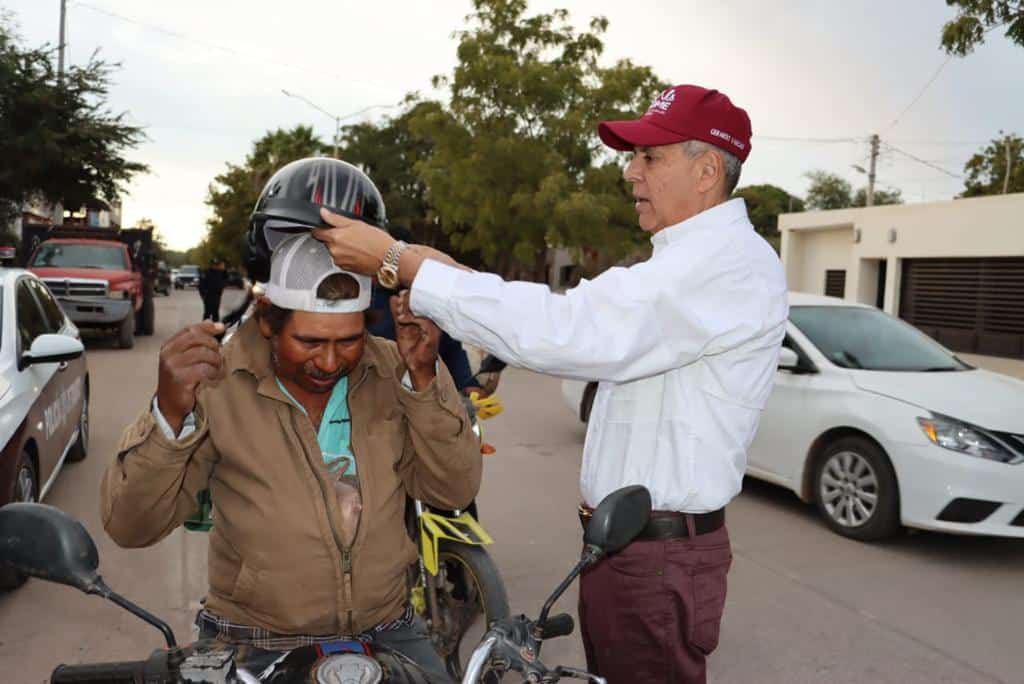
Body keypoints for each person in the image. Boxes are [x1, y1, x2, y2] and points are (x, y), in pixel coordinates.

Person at [310, 84, 789, 684]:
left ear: (708, 170)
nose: (630, 172)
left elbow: (562, 330)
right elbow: (550, 310)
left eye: (650, 157)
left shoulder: (720, 266)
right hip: (634, 549)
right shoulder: (689, 264)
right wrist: (421, 261)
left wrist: (396, 261)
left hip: (657, 556)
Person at [100, 232, 481, 682]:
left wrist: (422, 379)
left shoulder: (390, 370)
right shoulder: (217, 385)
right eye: (310, 341)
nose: (330, 361)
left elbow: (452, 489)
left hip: (386, 630)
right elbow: (130, 524)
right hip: (251, 638)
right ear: (267, 321)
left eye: (349, 340)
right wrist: (168, 414)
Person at [367, 225, 483, 397]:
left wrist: (469, 385)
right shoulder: (361, 298)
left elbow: (451, 349)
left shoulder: (426, 301)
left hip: (419, 399)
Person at [198, 257, 227, 322]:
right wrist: (203, 295)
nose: (216, 266)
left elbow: (226, 279)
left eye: (217, 264)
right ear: (211, 264)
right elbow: (201, 285)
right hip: (208, 295)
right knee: (207, 313)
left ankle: (215, 330)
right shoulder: (206, 272)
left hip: (217, 295)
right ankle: (204, 328)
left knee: (216, 313)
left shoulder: (221, 272)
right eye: (215, 264)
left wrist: (224, 269)